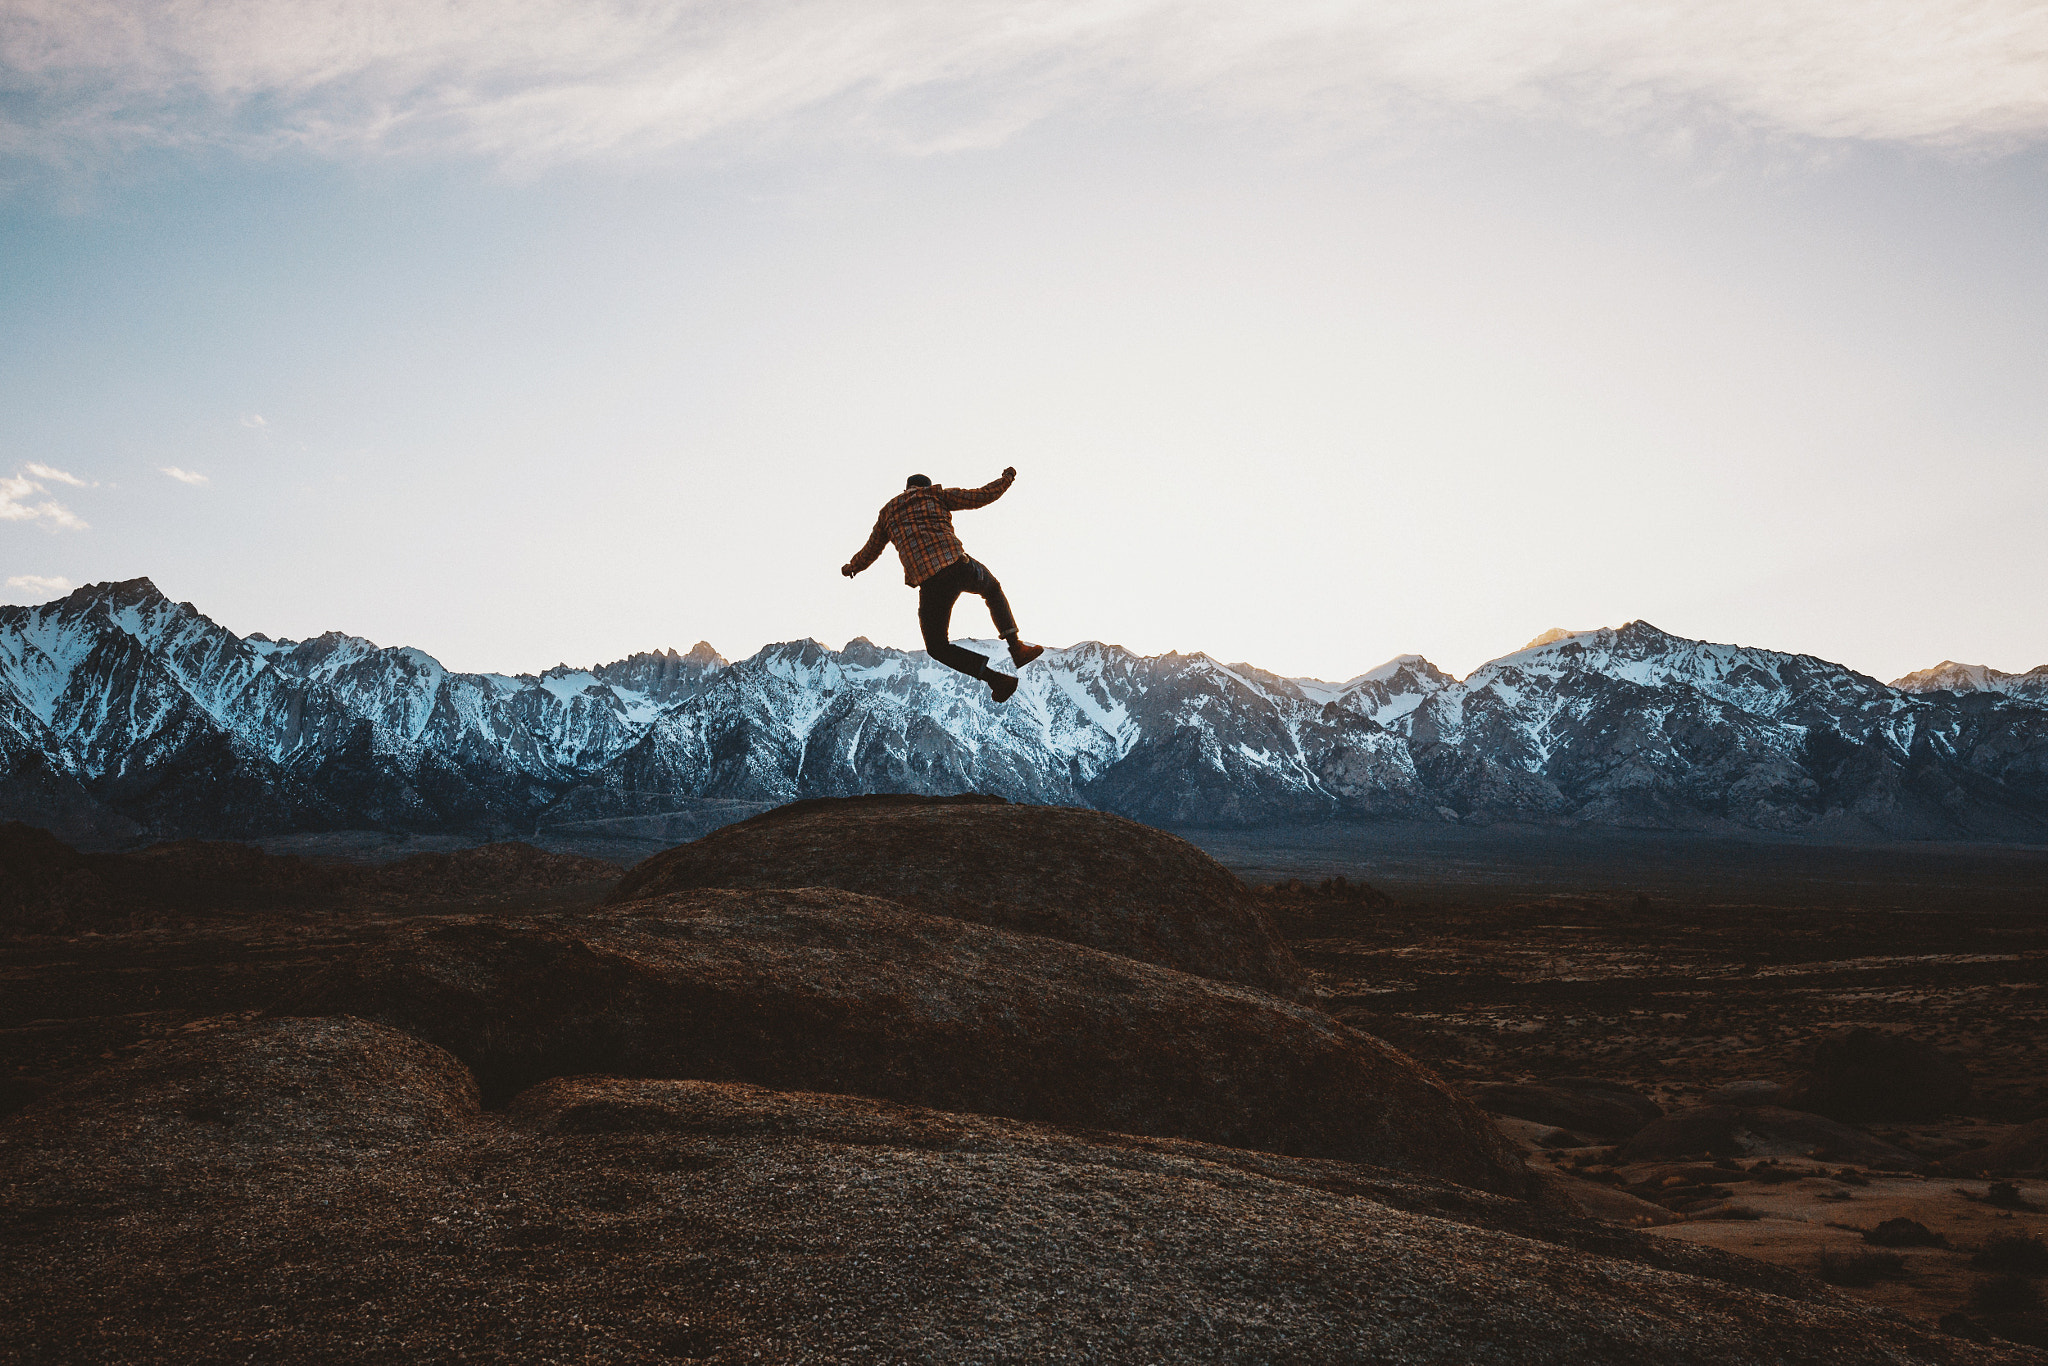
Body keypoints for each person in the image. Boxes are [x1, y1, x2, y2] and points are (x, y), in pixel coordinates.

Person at [842, 467, 1044, 702]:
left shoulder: (888, 513)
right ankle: (1016, 647)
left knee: (937, 647)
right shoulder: (935, 495)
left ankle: (997, 679)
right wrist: (1007, 479)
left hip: (930, 583)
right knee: (992, 589)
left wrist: (852, 567)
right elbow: (980, 496)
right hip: (959, 566)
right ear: (926, 487)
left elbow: (871, 549)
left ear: (906, 489)